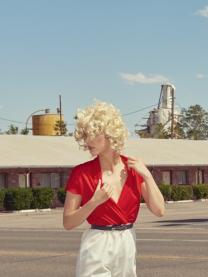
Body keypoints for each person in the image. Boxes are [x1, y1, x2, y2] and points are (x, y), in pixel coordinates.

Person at [63, 101, 165, 277]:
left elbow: (159, 210)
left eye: (93, 134)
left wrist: (147, 175)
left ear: (110, 134)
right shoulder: (81, 173)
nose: (87, 140)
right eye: (85, 134)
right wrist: (94, 202)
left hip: (127, 240)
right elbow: (68, 222)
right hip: (97, 242)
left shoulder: (135, 169)